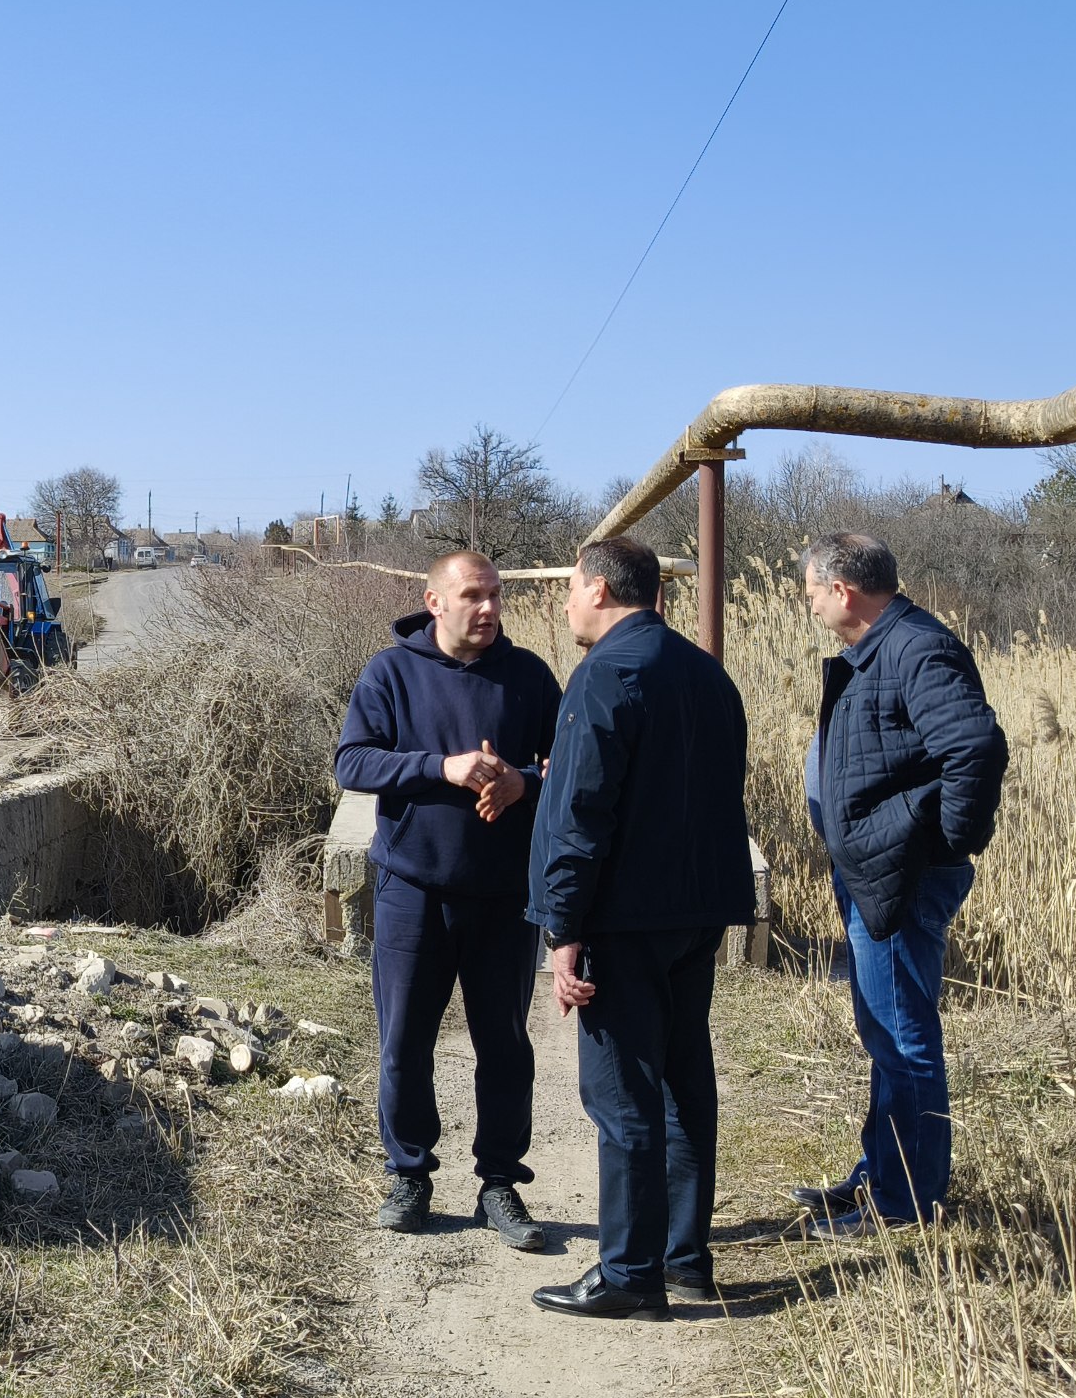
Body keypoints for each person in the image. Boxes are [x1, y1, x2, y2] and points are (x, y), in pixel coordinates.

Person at [528, 537, 753, 1320]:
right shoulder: (706, 673)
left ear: (598, 588)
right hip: (698, 913)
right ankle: (686, 1259)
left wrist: (563, 928)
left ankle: (629, 1274)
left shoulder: (604, 675)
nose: (566, 603)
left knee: (622, 1094)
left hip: (623, 921)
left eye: (570, 587)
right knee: (684, 1084)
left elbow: (579, 813)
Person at [336, 550, 562, 1249]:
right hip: (413, 889)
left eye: (495, 594)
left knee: (505, 1044)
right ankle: (410, 1174)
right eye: (473, 596)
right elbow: (352, 762)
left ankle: (500, 1184)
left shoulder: (529, 676)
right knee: (405, 1041)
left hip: (504, 895)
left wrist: (523, 782)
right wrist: (445, 767)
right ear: (434, 602)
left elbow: (566, 764)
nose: (489, 608)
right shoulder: (391, 672)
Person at [792, 533, 1006, 1236]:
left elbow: (974, 746)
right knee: (884, 1032)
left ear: (843, 590)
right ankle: (879, 1177)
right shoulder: (880, 649)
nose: (811, 606)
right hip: (877, 871)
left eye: (813, 593)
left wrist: (941, 840)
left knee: (904, 1038)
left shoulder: (916, 648)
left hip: (901, 876)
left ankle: (903, 1203)